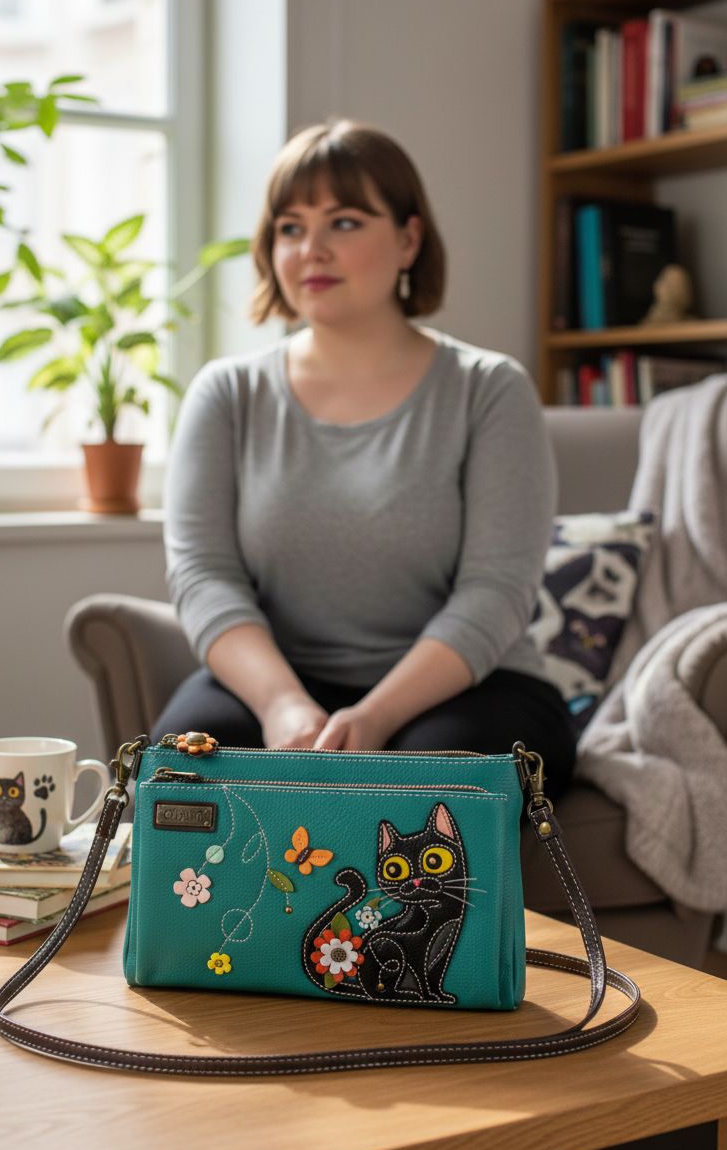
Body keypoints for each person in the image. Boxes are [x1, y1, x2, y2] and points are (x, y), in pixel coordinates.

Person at [154, 119, 577, 797]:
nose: (310, 249)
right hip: (281, 684)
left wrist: (375, 717)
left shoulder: (490, 389)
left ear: (409, 238)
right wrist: (281, 705)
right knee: (182, 774)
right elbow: (203, 577)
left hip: (470, 689)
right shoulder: (226, 393)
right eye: (289, 227)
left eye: (344, 222)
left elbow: (496, 592)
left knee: (423, 785)